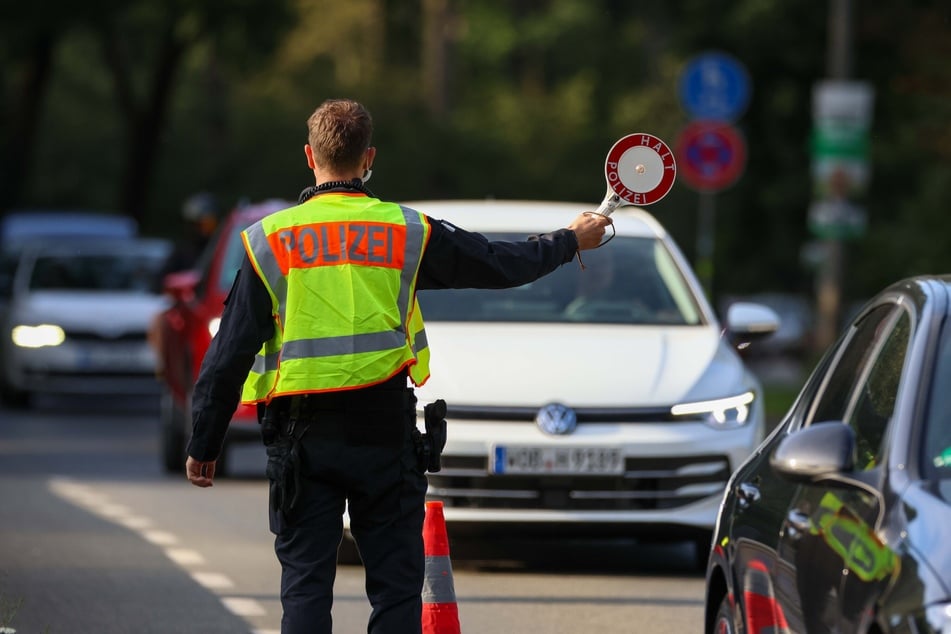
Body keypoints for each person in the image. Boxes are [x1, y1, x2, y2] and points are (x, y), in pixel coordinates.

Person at [184, 98, 611, 634]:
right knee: (395, 588)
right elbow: (499, 263)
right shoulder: (407, 231)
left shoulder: (269, 240)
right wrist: (570, 240)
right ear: (369, 159)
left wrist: (205, 442)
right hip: (383, 433)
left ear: (309, 157)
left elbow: (229, 352)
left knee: (306, 587)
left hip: (301, 437)